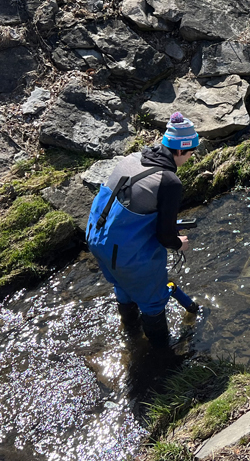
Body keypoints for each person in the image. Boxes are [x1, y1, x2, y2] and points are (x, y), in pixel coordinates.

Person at [86, 111, 198, 348]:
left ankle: (131, 336)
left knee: (124, 287)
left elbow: (131, 207)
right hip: (126, 255)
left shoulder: (132, 158)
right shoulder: (168, 181)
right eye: (190, 152)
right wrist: (180, 244)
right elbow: (164, 236)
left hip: (97, 239)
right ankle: (160, 359)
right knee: (153, 303)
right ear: (179, 150)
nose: (190, 158)